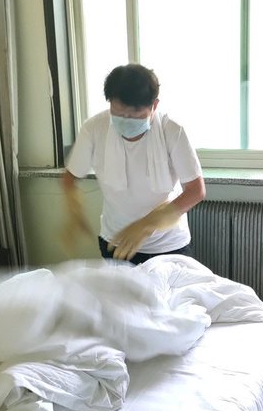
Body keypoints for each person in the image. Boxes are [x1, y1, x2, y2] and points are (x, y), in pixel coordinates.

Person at [62, 63, 205, 264]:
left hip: (169, 246)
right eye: (119, 114)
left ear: (154, 105)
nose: (126, 120)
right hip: (116, 243)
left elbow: (196, 191)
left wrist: (146, 225)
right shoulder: (94, 128)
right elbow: (70, 178)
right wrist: (74, 213)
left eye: (135, 114)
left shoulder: (171, 131)